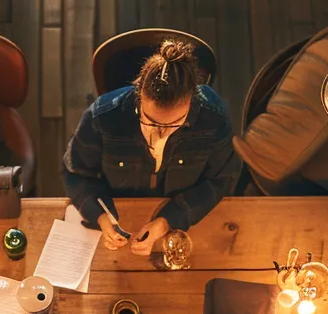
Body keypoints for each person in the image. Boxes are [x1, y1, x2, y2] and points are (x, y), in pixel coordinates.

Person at [63, 40, 239, 256]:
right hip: (120, 210)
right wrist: (99, 216)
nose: (161, 133)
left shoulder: (213, 117)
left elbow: (222, 178)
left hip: (184, 219)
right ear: (139, 94)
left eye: (175, 123)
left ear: (192, 100)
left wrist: (169, 220)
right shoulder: (102, 117)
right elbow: (76, 173)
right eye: (151, 121)